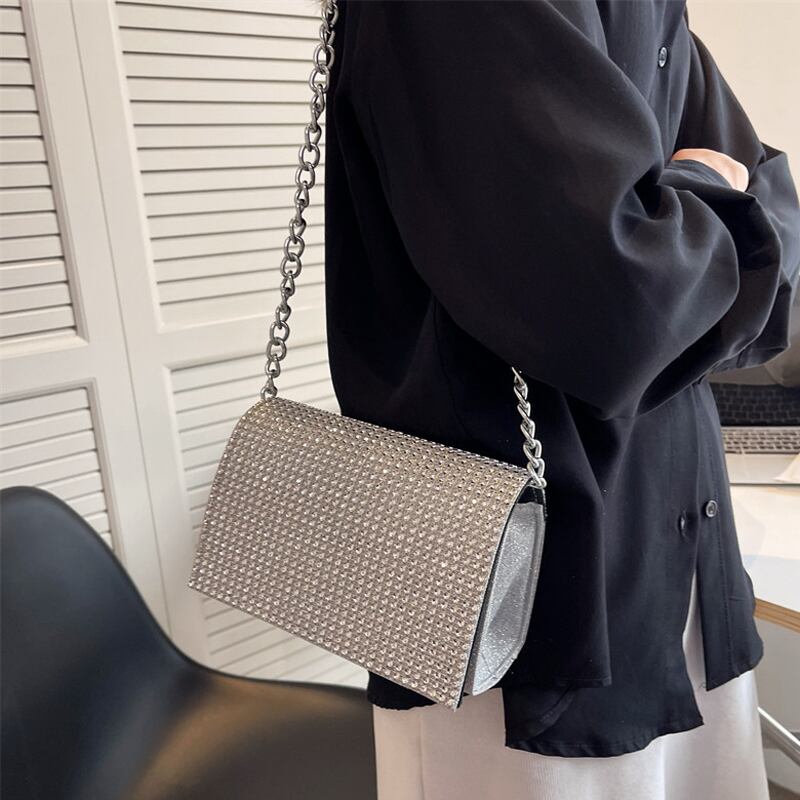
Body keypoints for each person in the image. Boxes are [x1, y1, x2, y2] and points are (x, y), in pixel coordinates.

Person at [322, 1, 800, 798]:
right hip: (517, 609)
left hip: (679, 552)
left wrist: (697, 220)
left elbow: (777, 222)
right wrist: (719, 195)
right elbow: (624, 304)